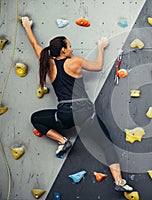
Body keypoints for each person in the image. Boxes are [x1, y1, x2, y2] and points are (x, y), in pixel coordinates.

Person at [21, 16, 133, 192]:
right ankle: (119, 181)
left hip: (64, 116)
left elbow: (35, 44)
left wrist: (26, 26)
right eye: (69, 46)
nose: (72, 48)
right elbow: (98, 66)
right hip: (85, 115)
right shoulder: (75, 62)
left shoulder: (48, 64)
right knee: (106, 145)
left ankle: (62, 140)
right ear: (64, 50)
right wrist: (101, 48)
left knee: (36, 118)